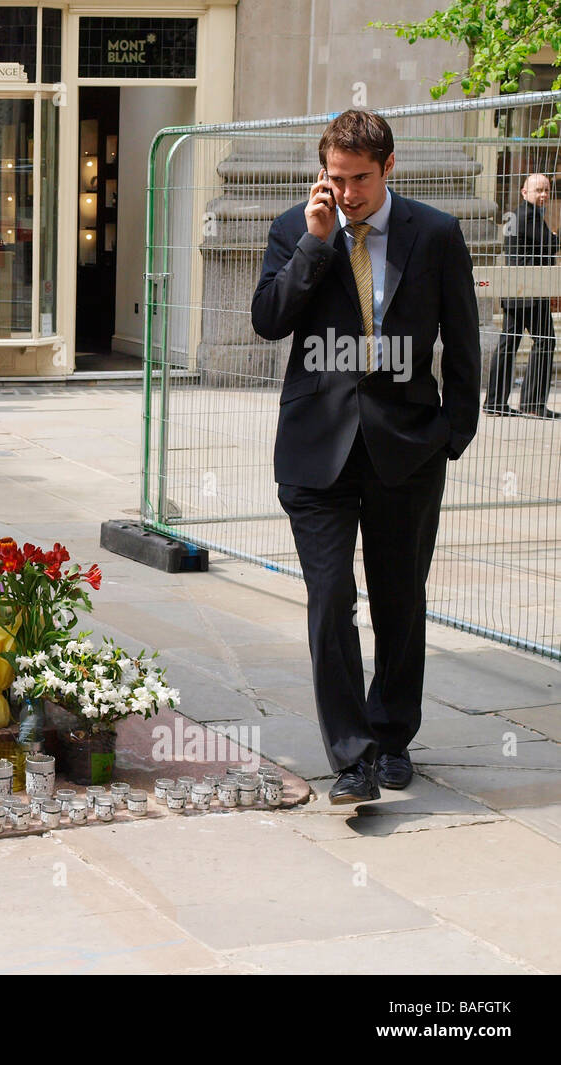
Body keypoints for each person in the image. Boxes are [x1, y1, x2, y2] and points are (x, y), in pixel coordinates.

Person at [251, 110, 479, 804]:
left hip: (406, 451)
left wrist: (452, 433)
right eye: (334, 177)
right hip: (316, 449)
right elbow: (269, 318)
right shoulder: (298, 227)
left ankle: (391, 737)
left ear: (387, 170)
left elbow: (463, 339)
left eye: (358, 179)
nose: (345, 192)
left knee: (400, 601)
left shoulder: (434, 234)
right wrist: (317, 245)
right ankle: (351, 757)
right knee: (330, 600)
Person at [484, 173, 558, 418]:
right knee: (546, 341)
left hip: (518, 290)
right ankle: (533, 404)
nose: (544, 195)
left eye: (547, 190)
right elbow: (549, 244)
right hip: (529, 291)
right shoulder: (527, 215)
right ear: (525, 192)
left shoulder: (516, 215)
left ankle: (495, 403)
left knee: (509, 344)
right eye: (539, 190)